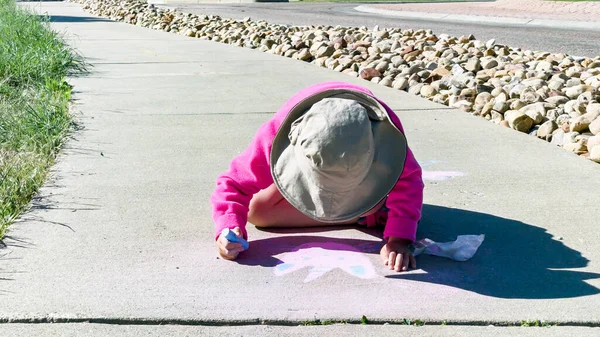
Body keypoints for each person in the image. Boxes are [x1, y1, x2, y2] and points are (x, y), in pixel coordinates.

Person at [210, 81, 424, 272]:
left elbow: (409, 181)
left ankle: (366, 210)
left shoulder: (383, 134)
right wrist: (227, 228)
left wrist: (399, 239)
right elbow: (233, 183)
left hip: (374, 199)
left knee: (380, 205)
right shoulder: (277, 135)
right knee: (257, 211)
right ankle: (357, 214)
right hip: (350, 185)